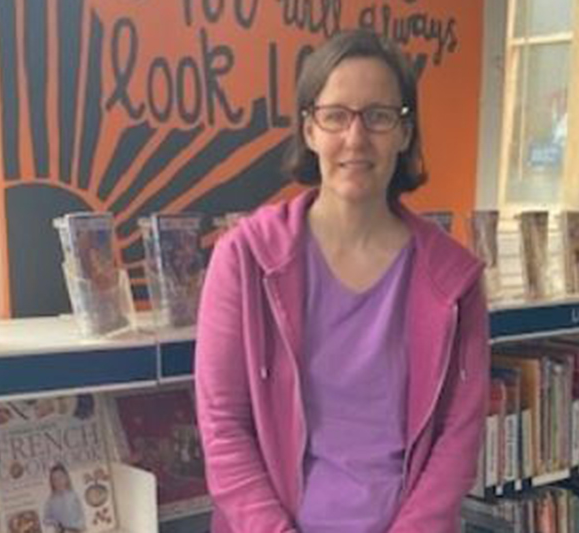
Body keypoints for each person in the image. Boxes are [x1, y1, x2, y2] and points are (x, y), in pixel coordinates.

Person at [195, 29, 489, 533]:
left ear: (404, 132)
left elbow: (457, 439)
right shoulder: (244, 258)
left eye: (378, 116)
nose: (356, 138)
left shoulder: (453, 278)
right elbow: (224, 429)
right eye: (336, 116)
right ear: (309, 130)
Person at [43, 463, 86, 533]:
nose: (58, 481)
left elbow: (81, 514)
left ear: (66, 478)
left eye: (61, 477)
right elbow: (45, 519)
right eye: (55, 479)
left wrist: (79, 527)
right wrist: (55, 522)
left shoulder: (73, 495)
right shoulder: (51, 500)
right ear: (52, 482)